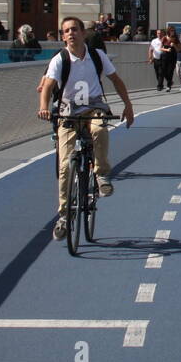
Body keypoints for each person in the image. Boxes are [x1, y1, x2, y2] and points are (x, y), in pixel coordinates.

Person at [37, 16, 135, 241]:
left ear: (82, 33)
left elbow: (116, 80)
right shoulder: (60, 59)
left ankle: (101, 175)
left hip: (94, 106)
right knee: (64, 167)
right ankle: (63, 216)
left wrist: (128, 106)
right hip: (68, 111)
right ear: (63, 37)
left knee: (100, 128)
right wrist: (43, 107)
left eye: (74, 30)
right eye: (66, 31)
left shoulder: (96, 56)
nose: (70, 34)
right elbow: (47, 87)